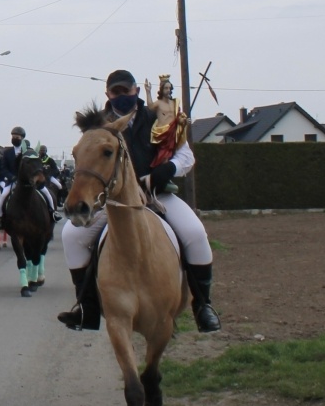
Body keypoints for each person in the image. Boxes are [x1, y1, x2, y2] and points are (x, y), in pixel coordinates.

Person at [58, 69, 221, 333]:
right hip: (114, 202)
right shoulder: (98, 126)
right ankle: (86, 308)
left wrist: (165, 171)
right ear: (108, 95)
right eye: (116, 92)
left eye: (126, 91)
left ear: (136, 90)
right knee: (71, 236)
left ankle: (203, 305)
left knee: (195, 233)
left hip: (158, 195)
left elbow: (186, 157)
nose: (122, 96)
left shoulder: (158, 117)